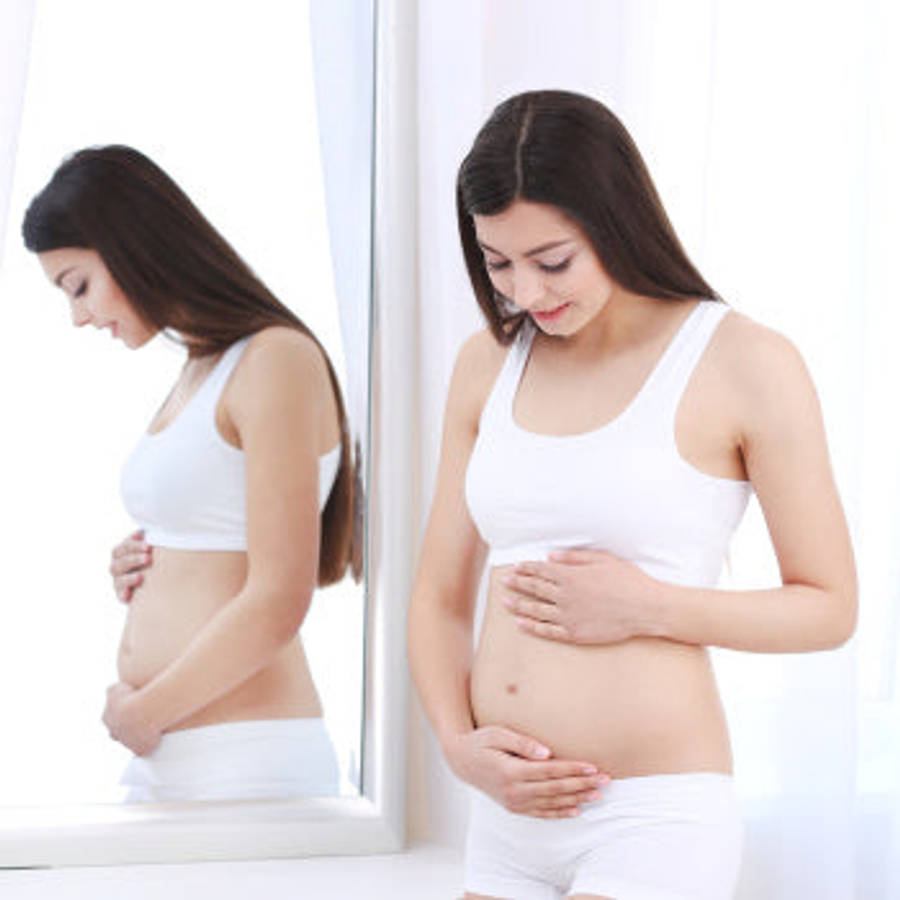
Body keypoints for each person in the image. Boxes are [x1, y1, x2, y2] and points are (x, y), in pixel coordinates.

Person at [407, 90, 857, 900]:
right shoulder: (488, 362)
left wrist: (650, 607)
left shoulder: (744, 360)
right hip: (506, 821)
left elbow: (828, 606)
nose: (526, 292)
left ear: (615, 221)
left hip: (653, 817)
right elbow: (439, 593)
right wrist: (455, 743)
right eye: (497, 262)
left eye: (552, 261)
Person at [23, 145, 356, 802]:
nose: (79, 316)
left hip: (244, 758)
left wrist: (142, 714)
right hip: (174, 754)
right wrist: (153, 562)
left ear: (131, 245)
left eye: (78, 285)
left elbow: (280, 598)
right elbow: (221, 532)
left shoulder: (275, 358)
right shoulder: (202, 366)